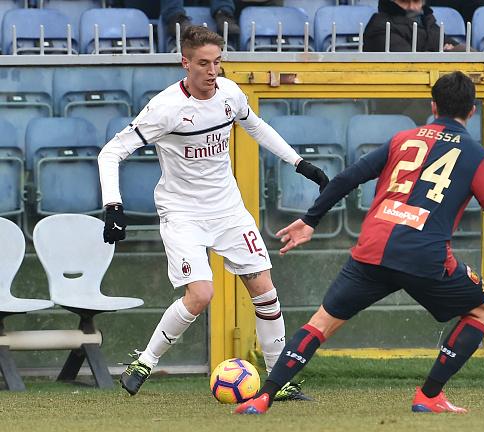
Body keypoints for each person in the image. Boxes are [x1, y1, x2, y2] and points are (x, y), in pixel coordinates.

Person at [235, 71, 484, 415]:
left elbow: (347, 177)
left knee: (320, 324)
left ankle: (263, 397)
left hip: (371, 250)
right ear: (473, 112)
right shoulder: (480, 157)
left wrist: (311, 220)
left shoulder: (401, 139)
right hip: (424, 258)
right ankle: (429, 395)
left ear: (432, 105)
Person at [98, 25, 329, 399]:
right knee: (201, 294)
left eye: (217, 62)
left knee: (265, 292)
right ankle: (145, 360)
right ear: (184, 62)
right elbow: (110, 152)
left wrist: (300, 163)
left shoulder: (230, 94)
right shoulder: (166, 108)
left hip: (228, 211)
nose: (212, 71)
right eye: (203, 63)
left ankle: (278, 381)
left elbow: (257, 126)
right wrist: (113, 205)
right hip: (182, 213)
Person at [363, 0, 462, 52]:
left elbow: (468, 53)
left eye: (416, 1)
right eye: (403, 1)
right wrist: (445, 54)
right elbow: (409, 63)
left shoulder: (427, 22)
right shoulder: (380, 26)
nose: (411, 7)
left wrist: (453, 51)